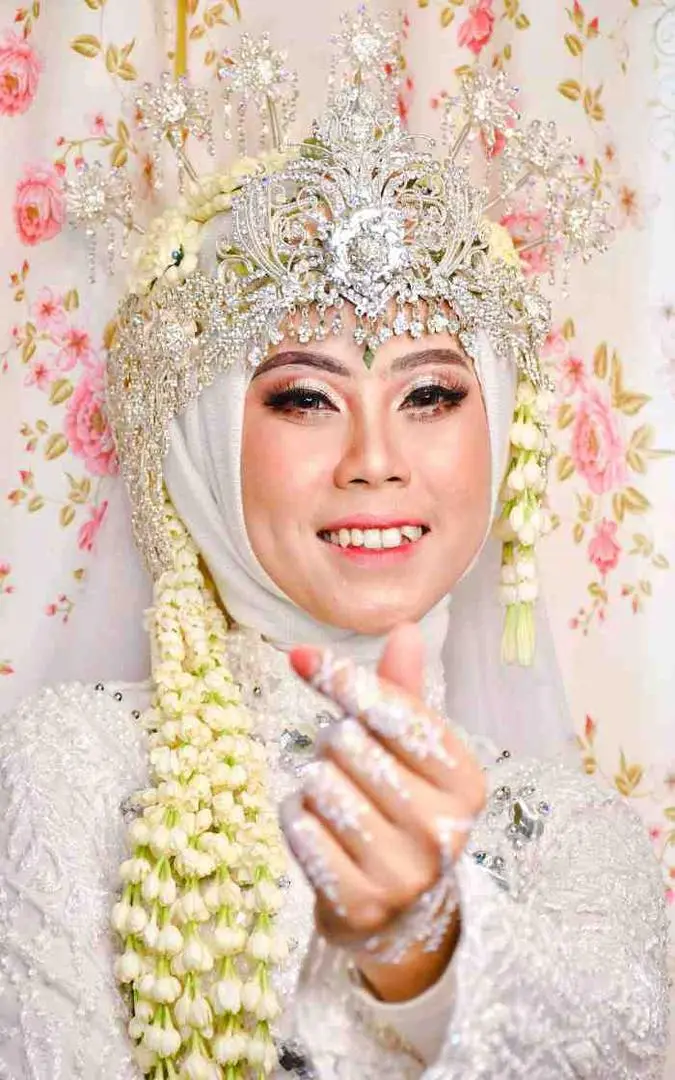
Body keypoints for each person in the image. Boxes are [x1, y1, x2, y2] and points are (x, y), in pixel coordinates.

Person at [0, 12, 669, 1079]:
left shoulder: (577, 833)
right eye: (305, 398)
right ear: (201, 443)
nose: (375, 460)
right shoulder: (72, 768)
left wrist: (426, 948)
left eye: (431, 394)